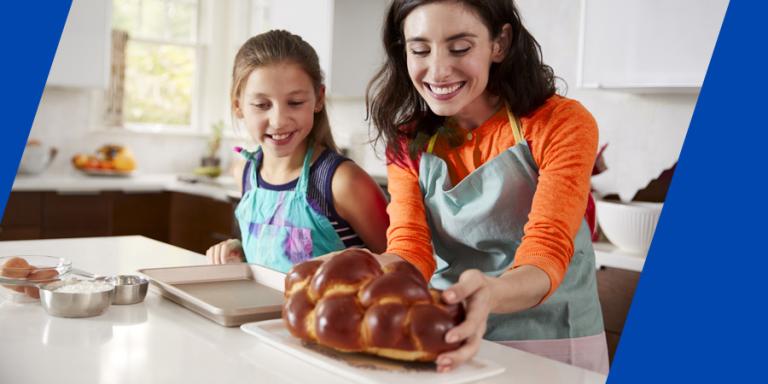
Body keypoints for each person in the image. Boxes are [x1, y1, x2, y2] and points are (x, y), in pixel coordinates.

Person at [363, 0, 609, 374]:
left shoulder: (560, 123)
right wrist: (364, 267)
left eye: (460, 47)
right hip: (452, 334)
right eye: (420, 50)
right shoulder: (406, 141)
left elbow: (546, 250)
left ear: (500, 43)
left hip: (553, 340)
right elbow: (410, 250)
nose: (439, 69)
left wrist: (489, 293)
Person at [206, 30, 389, 273]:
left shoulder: (343, 182)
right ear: (238, 106)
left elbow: (403, 266)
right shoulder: (246, 174)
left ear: (318, 98)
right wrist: (239, 250)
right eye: (262, 105)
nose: (279, 120)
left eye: (295, 102)